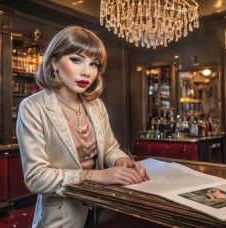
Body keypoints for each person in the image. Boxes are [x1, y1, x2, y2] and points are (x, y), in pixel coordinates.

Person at [16, 25, 149, 228]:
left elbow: (110, 148)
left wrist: (122, 161)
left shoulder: (95, 105)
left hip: (104, 212)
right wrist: (97, 176)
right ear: (54, 62)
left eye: (93, 64)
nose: (87, 72)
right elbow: (36, 178)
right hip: (61, 219)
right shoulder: (33, 107)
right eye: (76, 60)